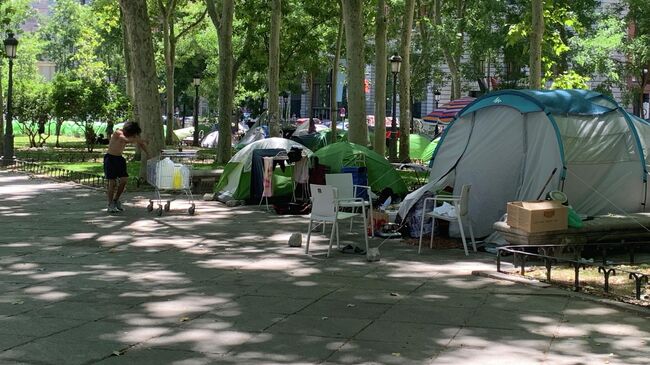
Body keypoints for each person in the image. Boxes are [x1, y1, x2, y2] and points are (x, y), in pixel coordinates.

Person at [104, 121, 148, 213]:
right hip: (110, 158)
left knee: (124, 180)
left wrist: (148, 154)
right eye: (129, 133)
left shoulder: (132, 136)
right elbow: (125, 139)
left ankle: (116, 200)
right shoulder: (118, 132)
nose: (130, 135)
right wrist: (140, 140)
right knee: (112, 182)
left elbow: (141, 144)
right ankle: (110, 204)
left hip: (119, 159)